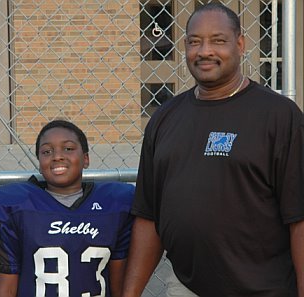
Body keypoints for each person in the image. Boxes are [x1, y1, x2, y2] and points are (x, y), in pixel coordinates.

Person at [122, 3, 304, 297]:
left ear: (240, 44)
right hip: (185, 286)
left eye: (218, 40)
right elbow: (148, 216)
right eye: (195, 41)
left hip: (264, 289)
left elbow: (299, 219)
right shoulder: (165, 117)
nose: (204, 51)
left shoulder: (280, 116)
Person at [0, 119, 134, 297]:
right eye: (47, 151)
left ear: (85, 158)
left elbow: (119, 284)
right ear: (39, 162)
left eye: (68, 148)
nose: (57, 156)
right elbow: (6, 285)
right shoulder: (13, 206)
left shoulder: (116, 203)